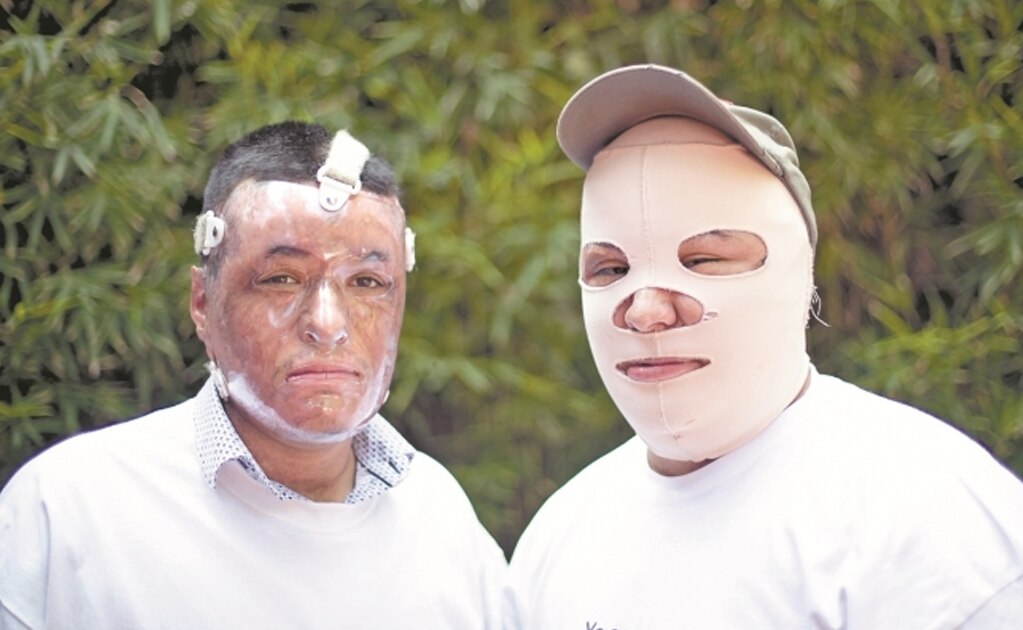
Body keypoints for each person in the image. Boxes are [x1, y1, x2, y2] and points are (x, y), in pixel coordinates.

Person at [509, 64, 1023, 628]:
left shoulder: (928, 522)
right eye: (610, 269)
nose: (645, 310)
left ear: (795, 273)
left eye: (704, 259)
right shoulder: (559, 540)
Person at [0, 121, 506, 628]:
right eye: (281, 279)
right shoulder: (72, 509)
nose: (328, 325)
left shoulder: (441, 521)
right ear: (203, 303)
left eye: (368, 282)